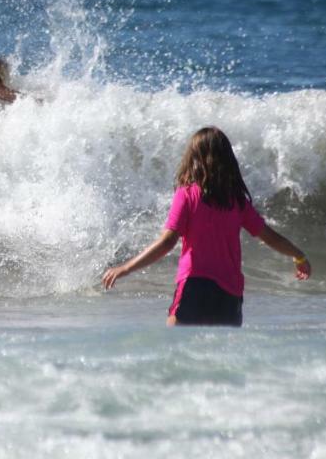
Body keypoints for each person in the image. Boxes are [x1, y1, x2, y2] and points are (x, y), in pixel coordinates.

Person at [102, 126, 311, 326]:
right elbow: (269, 236)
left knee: (176, 350)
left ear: (194, 159)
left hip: (195, 284)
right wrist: (299, 256)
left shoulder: (187, 195)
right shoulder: (237, 201)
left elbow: (167, 242)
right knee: (220, 358)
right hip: (229, 293)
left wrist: (126, 268)